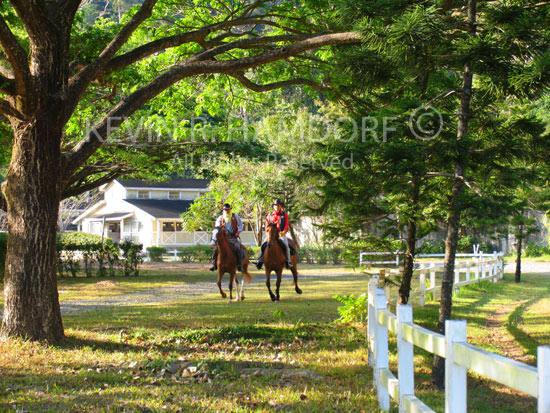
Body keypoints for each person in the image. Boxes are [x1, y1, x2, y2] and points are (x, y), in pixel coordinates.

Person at [256, 199, 291, 270]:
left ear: (280, 206)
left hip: (281, 234)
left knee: (286, 245)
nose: (276, 207)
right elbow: (266, 224)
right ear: (273, 206)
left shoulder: (284, 215)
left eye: (278, 205)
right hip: (271, 235)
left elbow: (287, 225)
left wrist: (284, 231)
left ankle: (288, 261)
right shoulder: (270, 215)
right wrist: (268, 230)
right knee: (263, 244)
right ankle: (259, 261)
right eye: (275, 206)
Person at [210, 203, 244, 272]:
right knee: (216, 249)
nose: (226, 211)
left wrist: (238, 232)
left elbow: (240, 225)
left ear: (230, 210)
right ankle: (214, 264)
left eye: (228, 210)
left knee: (238, 247)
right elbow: (217, 227)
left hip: (232, 236)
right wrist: (221, 227)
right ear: (223, 210)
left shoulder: (235, 216)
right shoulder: (220, 218)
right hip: (223, 238)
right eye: (225, 210)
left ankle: (239, 264)